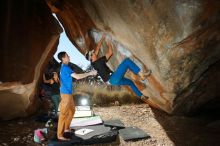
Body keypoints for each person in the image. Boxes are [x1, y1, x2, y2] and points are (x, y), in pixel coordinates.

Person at [86, 35, 151, 102]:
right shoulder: (99, 62)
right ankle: (141, 75)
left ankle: (141, 96)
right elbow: (110, 52)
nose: (94, 53)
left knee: (130, 82)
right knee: (127, 61)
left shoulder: (93, 63)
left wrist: (102, 38)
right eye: (93, 53)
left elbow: (97, 48)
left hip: (113, 82)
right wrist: (109, 42)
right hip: (113, 78)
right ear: (91, 57)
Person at [57, 51, 97, 141]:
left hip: (68, 93)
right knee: (63, 114)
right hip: (65, 94)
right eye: (67, 56)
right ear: (63, 58)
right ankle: (59, 135)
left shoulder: (65, 67)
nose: (69, 56)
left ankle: (66, 128)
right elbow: (77, 77)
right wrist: (90, 73)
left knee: (72, 111)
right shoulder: (65, 68)